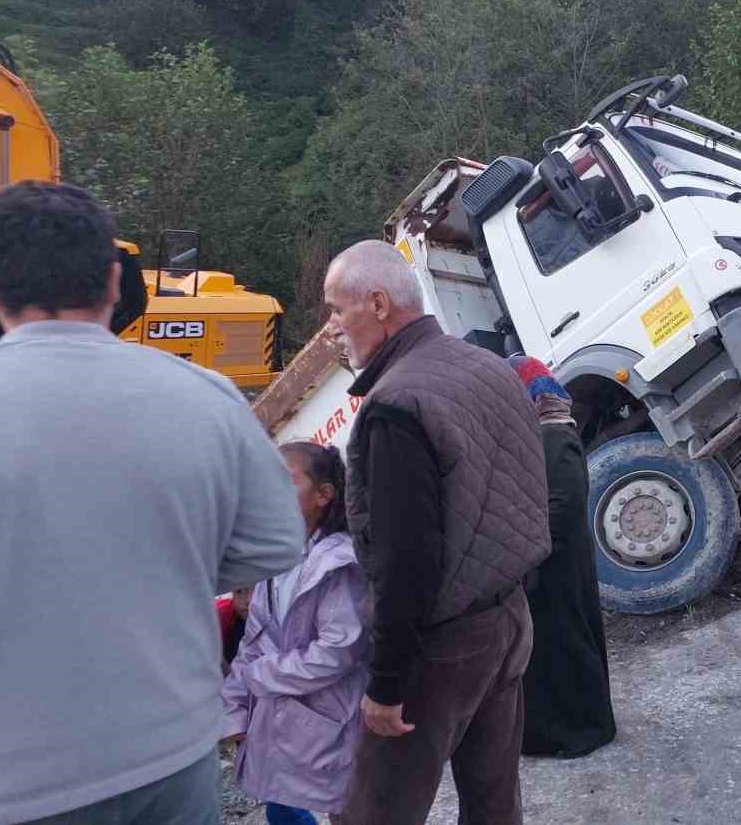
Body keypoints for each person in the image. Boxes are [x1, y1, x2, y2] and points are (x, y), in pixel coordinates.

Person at [0, 181, 303, 825]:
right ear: (110, 280)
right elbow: (276, 544)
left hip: (9, 777)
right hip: (169, 756)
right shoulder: (206, 395)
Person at [326, 240, 550, 825]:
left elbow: (407, 561)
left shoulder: (397, 404)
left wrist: (387, 683)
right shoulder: (484, 364)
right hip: (509, 620)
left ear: (377, 304)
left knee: (376, 811)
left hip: (443, 648)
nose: (331, 328)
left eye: (335, 310)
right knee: (494, 801)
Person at [222, 442, 367, 825]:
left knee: (346, 808)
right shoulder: (277, 557)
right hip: (279, 716)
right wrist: (233, 710)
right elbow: (252, 643)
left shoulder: (338, 563)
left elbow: (338, 651)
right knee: (281, 804)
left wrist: (262, 676)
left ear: (323, 495)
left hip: (328, 718)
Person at [510, 356, 617, 759]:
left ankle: (577, 732)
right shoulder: (544, 436)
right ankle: (552, 732)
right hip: (550, 559)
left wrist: (529, 548)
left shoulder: (554, 437)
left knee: (565, 645)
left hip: (555, 563)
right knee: (554, 647)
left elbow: (565, 502)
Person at [216, 586, 254, 674]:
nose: (248, 600)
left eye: (259, 591)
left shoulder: (284, 622)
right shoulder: (219, 618)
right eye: (239, 591)